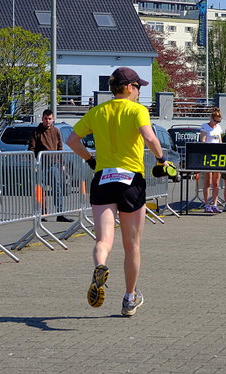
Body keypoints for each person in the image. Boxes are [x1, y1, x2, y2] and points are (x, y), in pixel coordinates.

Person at [66, 67, 169, 316]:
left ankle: (100, 266)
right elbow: (149, 137)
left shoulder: (97, 111)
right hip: (130, 180)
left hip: (103, 177)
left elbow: (71, 140)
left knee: (103, 240)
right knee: (132, 245)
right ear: (129, 88)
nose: (139, 92)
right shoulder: (137, 110)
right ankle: (129, 298)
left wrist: (90, 159)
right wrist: (161, 159)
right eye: (138, 88)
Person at [28, 109, 74, 223]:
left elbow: (60, 148)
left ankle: (59, 213)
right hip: (41, 165)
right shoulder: (36, 132)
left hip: (54, 165)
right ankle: (42, 213)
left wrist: (62, 164)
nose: (48, 121)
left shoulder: (56, 131)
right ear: (42, 119)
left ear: (53, 119)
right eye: (45, 119)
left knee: (57, 189)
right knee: (41, 190)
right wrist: (34, 163)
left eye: (50, 119)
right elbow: (31, 148)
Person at [200, 108, 223, 213]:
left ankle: (215, 203)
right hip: (208, 156)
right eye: (215, 121)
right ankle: (206, 203)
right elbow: (203, 140)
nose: (216, 123)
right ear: (211, 118)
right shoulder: (205, 127)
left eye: (218, 121)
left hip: (217, 156)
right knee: (208, 181)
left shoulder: (218, 128)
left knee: (216, 182)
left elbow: (220, 142)